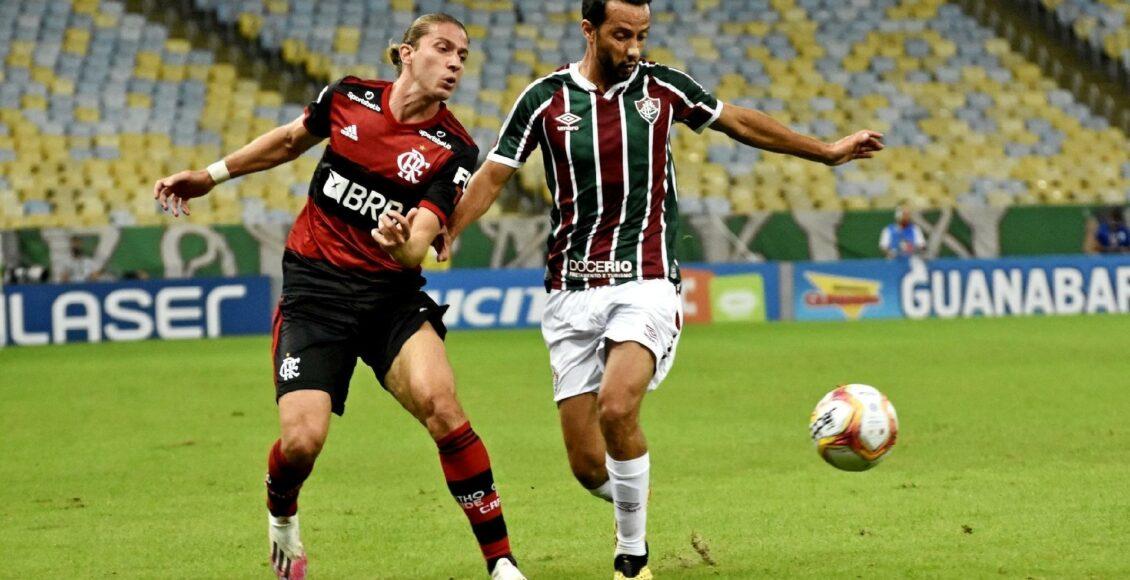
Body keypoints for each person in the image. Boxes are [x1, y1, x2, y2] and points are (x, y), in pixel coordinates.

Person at [437, 1, 884, 577]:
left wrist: (824, 151)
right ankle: (632, 487)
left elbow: (739, 121)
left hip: (646, 280)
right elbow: (493, 174)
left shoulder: (663, 88)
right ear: (589, 31)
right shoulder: (544, 100)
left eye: (642, 35)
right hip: (569, 291)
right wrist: (450, 229)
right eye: (621, 36)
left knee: (618, 406)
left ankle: (632, 558)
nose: (634, 48)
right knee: (587, 466)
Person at [152, 13, 525, 580]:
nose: (454, 64)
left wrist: (403, 243)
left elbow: (419, 245)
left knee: (444, 408)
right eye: (443, 49)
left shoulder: (452, 147)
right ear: (405, 53)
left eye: (463, 56)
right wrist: (212, 175)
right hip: (315, 291)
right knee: (301, 443)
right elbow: (288, 141)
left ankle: (501, 564)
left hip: (389, 296)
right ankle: (282, 515)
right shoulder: (348, 97)